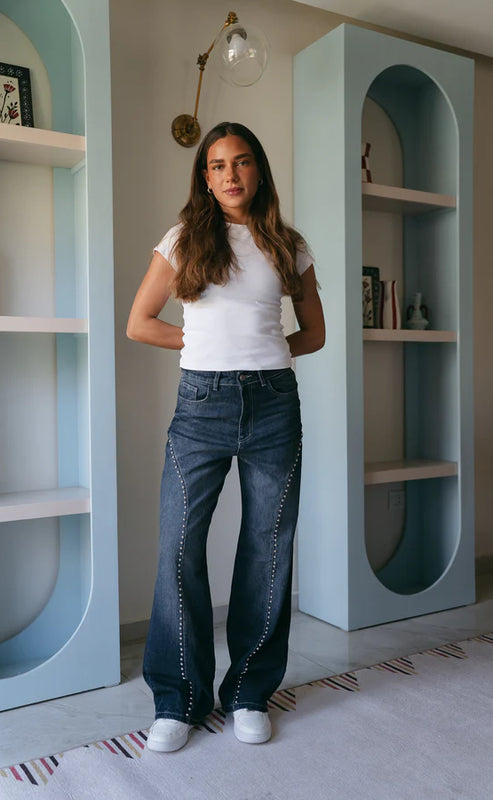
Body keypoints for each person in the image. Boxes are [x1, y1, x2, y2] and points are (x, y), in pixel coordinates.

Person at [126, 121, 325, 753]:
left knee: (268, 548)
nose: (230, 174)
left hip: (274, 405)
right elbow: (139, 323)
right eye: (217, 165)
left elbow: (314, 334)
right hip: (201, 405)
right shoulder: (184, 238)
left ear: (258, 170)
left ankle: (249, 692)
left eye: (240, 162)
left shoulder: (288, 244)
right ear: (205, 178)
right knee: (179, 545)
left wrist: (262, 353)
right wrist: (208, 344)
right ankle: (177, 700)